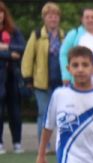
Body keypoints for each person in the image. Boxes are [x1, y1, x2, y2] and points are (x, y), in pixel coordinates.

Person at [20, 2, 65, 143]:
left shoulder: (63, 36)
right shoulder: (37, 35)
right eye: (50, 16)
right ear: (44, 18)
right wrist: (27, 78)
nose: (53, 19)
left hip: (61, 82)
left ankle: (60, 144)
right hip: (42, 83)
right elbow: (27, 57)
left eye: (55, 16)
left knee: (61, 115)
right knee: (44, 114)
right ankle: (44, 145)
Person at [0, 1, 23, 154]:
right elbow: (14, 54)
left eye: (1, 12)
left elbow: (22, 48)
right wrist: (10, 55)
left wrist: (5, 47)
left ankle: (17, 142)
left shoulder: (13, 31)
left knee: (15, 111)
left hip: (13, 76)